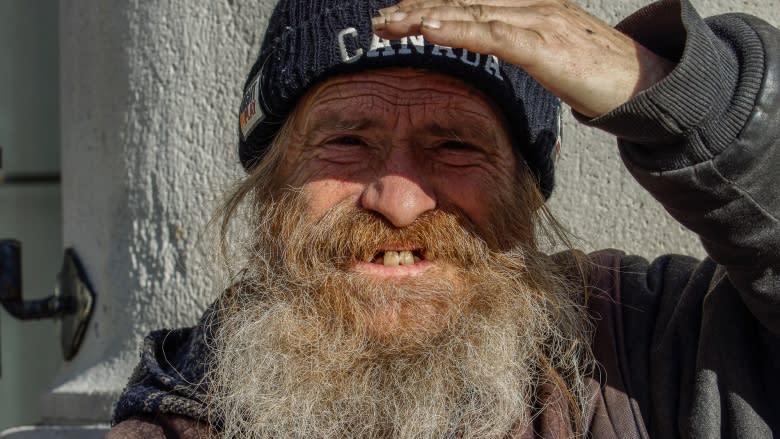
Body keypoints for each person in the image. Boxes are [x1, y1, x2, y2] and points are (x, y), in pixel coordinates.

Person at [106, 0, 780, 437]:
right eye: (346, 141)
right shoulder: (184, 418)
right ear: (272, 184)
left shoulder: (654, 342)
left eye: (455, 145)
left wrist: (680, 97)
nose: (399, 201)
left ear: (525, 189)